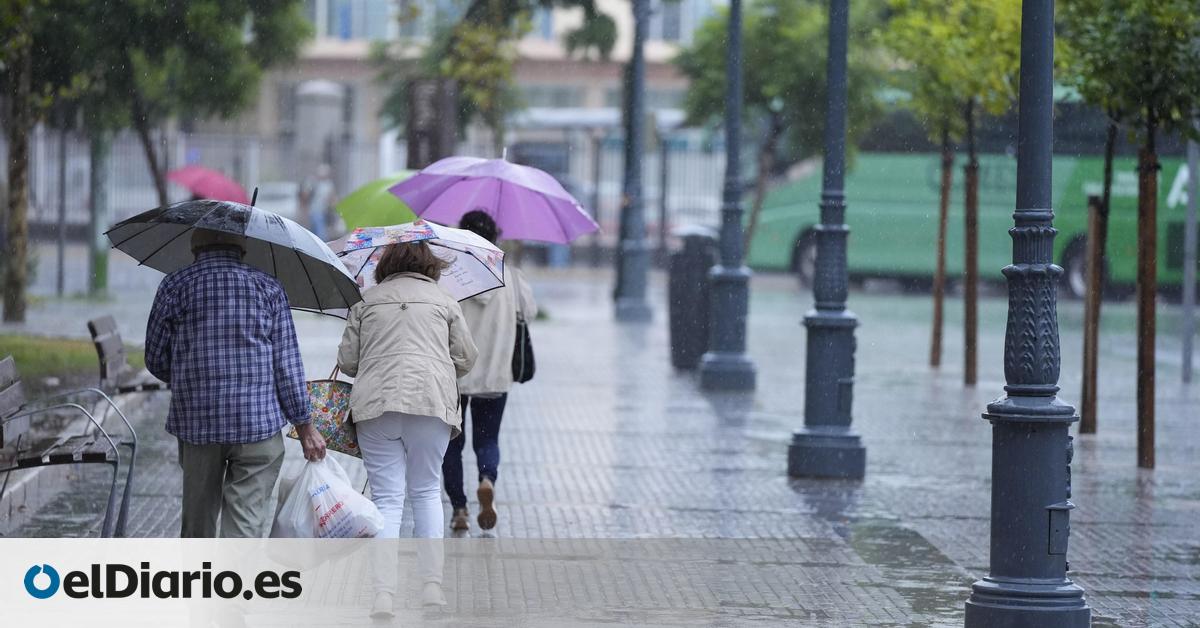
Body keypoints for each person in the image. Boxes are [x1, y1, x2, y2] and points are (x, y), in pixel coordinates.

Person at [145, 229, 326, 539]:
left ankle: (199, 582)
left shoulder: (175, 285)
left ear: (195, 244)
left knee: (197, 525)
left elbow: (155, 357)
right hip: (257, 425)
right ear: (243, 246)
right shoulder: (268, 287)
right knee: (245, 525)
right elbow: (286, 365)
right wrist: (305, 425)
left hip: (197, 424)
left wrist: (192, 380)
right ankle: (234, 582)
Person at [337, 241, 477, 616]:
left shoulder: (366, 302)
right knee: (428, 492)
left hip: (376, 405)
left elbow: (348, 363)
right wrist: (439, 366)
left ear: (385, 265)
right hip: (430, 402)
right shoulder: (445, 301)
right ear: (430, 265)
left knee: (387, 500)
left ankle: (383, 594)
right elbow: (466, 357)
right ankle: (432, 587)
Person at [443, 210, 538, 533]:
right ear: (495, 238)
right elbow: (530, 312)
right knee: (488, 439)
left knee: (451, 444)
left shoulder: (451, 276)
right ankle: (486, 478)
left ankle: (458, 509)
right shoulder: (510, 276)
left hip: (453, 374)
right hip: (495, 374)